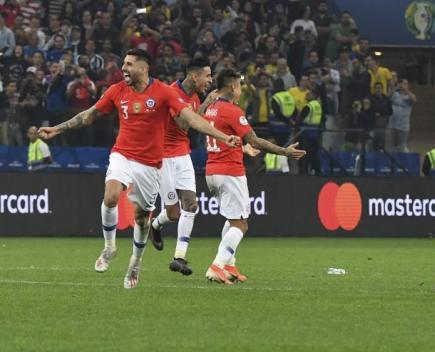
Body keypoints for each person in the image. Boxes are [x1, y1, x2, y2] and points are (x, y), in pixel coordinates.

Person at [38, 49, 240, 289]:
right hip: (122, 154)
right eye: (123, 63)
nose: (123, 68)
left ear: (143, 68)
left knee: (142, 219)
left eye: (129, 64)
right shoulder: (116, 90)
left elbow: (192, 120)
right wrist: (58, 129)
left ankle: (135, 262)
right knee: (111, 196)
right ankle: (110, 247)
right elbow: (90, 114)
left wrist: (223, 136)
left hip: (151, 163)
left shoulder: (164, 92)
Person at [203, 69, 306, 284]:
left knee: (234, 220)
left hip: (213, 170)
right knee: (241, 225)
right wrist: (284, 151)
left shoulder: (211, 109)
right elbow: (255, 140)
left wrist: (242, 149)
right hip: (229, 172)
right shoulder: (232, 110)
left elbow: (223, 138)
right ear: (232, 87)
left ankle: (229, 264)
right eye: (239, 86)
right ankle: (217, 265)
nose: (240, 90)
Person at [149, 58, 217, 276]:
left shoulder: (195, 97)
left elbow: (190, 127)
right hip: (163, 157)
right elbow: (184, 123)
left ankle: (179, 257)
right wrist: (207, 104)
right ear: (194, 76)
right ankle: (155, 225)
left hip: (182, 155)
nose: (210, 80)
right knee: (173, 213)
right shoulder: (172, 94)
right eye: (207, 76)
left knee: (191, 205)